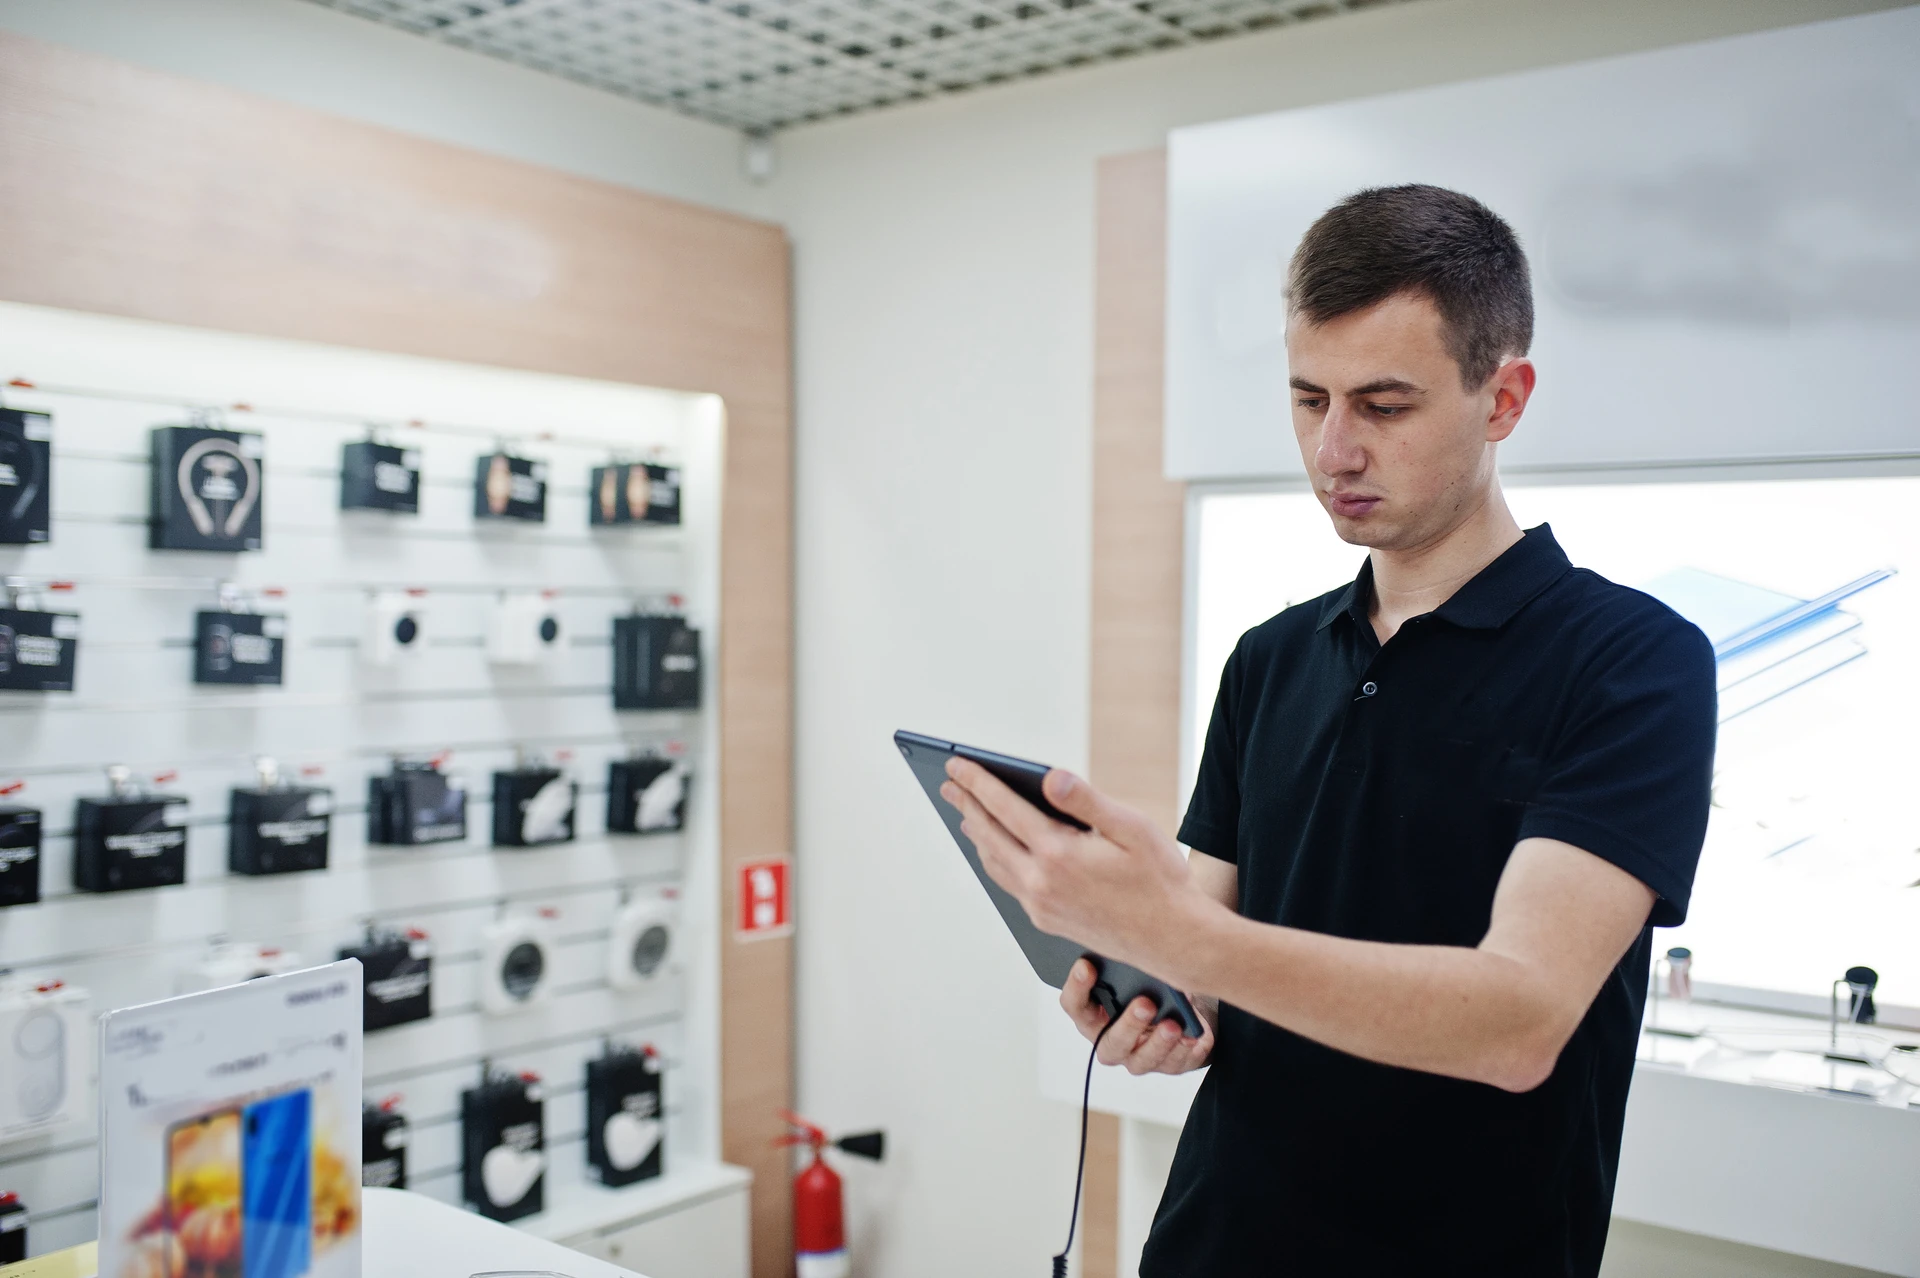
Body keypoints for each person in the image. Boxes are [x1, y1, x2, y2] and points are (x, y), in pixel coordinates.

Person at [940, 184, 1717, 1277]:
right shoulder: (1270, 658)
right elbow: (1211, 967)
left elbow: (1518, 1021)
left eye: (1384, 406)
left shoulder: (1634, 662)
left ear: (1504, 399)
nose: (1334, 449)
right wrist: (1143, 988)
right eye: (1309, 400)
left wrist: (1175, 934)